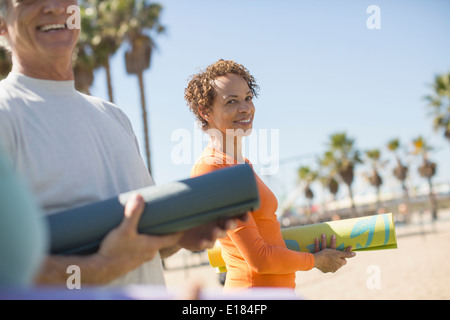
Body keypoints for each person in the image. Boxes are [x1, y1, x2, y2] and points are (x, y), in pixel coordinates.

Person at [0, 0, 240, 287]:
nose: (52, 6)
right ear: (3, 23)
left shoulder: (113, 116)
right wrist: (98, 269)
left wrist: (181, 232)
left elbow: (145, 240)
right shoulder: (6, 113)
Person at [185, 59, 356, 290]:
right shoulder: (212, 169)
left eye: (248, 98)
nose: (245, 108)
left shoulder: (242, 166)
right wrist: (316, 260)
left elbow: (267, 237)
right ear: (205, 111)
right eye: (231, 101)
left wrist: (315, 249)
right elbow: (260, 259)